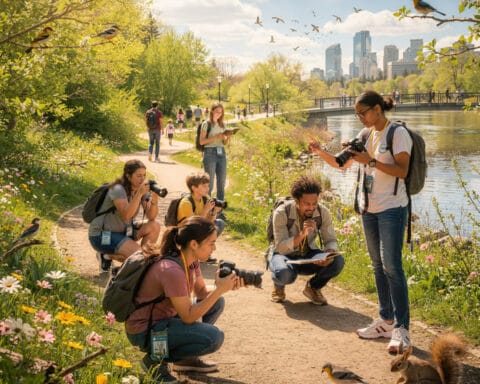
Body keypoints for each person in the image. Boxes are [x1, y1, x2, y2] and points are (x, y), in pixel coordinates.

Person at [309, 90, 413, 354]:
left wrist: (372, 161)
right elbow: (340, 164)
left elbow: (403, 171)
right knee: (378, 265)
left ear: (378, 108)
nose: (360, 118)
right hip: (369, 209)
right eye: (357, 114)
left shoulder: (398, 133)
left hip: (392, 208)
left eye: (363, 112)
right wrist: (320, 151)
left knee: (393, 266)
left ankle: (402, 329)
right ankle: (385, 321)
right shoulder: (365, 135)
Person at [125, 216, 245, 384]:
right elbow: (188, 316)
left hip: (165, 321)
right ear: (194, 244)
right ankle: (154, 360)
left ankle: (184, 360)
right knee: (214, 338)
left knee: (217, 302)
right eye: (211, 243)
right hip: (146, 330)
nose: (214, 248)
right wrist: (219, 290)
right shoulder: (171, 270)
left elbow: (202, 292)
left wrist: (226, 286)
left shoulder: (190, 261)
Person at [269, 176, 344, 305]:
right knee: (284, 274)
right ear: (296, 201)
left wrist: (329, 253)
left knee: (337, 261)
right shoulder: (281, 212)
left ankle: (313, 288)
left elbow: (330, 239)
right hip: (284, 256)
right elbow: (281, 247)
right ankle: (278, 285)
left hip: (308, 255)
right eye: (307, 204)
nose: (311, 207)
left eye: (314, 203)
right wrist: (302, 234)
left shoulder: (322, 212)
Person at [88, 159, 161, 272]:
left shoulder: (141, 189)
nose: (142, 179)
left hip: (124, 231)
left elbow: (151, 217)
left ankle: (139, 263)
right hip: (102, 235)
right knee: (140, 256)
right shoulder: (117, 189)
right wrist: (139, 194)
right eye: (138, 176)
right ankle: (107, 255)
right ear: (128, 176)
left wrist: (154, 200)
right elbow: (126, 215)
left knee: (154, 226)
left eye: (144, 175)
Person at [177, 172, 226, 264]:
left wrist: (214, 212)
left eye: (208, 186)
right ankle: (193, 254)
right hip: (184, 235)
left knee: (219, 223)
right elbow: (191, 228)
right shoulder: (186, 203)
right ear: (194, 188)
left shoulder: (204, 199)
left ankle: (203, 253)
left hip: (197, 231)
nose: (207, 189)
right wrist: (205, 210)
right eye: (204, 186)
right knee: (210, 227)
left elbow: (208, 224)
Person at [199, 103, 233, 218]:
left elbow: (223, 143)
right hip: (210, 153)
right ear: (212, 111)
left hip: (221, 153)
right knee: (210, 183)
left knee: (221, 182)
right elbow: (202, 141)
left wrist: (227, 137)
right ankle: (206, 211)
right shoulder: (206, 124)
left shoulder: (222, 124)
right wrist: (215, 137)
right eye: (217, 111)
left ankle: (219, 212)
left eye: (221, 112)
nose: (219, 114)